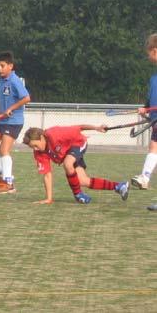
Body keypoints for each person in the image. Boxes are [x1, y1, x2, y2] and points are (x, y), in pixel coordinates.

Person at [22, 124, 129, 204]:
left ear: (41, 138)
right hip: (68, 154)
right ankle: (119, 186)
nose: (35, 149)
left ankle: (78, 194)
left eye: (35, 145)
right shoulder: (39, 153)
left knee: (68, 163)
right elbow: (47, 175)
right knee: (83, 181)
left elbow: (79, 127)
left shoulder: (54, 133)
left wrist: (96, 128)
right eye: (32, 147)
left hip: (78, 143)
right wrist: (49, 199)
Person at [0, 51, 31, 194]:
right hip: (3, 119)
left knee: (4, 150)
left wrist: (12, 108)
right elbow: (2, 104)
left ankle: (8, 183)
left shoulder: (15, 80)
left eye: (2, 66)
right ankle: (3, 175)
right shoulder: (0, 81)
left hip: (14, 121)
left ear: (10, 66)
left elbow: (26, 98)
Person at [131, 33, 157, 194]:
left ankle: (145, 177)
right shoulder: (154, 77)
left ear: (155, 50)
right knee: (153, 147)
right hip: (155, 119)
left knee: (154, 147)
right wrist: (145, 108)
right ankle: (145, 177)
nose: (148, 57)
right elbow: (152, 98)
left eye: (149, 53)